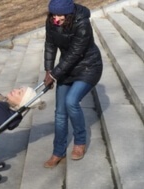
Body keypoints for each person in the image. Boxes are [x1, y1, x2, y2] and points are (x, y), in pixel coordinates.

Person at [43, 0, 103, 168]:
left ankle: (80, 142)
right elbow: (49, 45)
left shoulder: (82, 23)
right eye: (54, 14)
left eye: (60, 15)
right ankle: (58, 151)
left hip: (88, 66)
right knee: (60, 111)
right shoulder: (51, 22)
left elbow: (76, 53)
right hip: (66, 69)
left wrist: (54, 74)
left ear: (69, 14)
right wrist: (48, 70)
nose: (56, 18)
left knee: (71, 101)